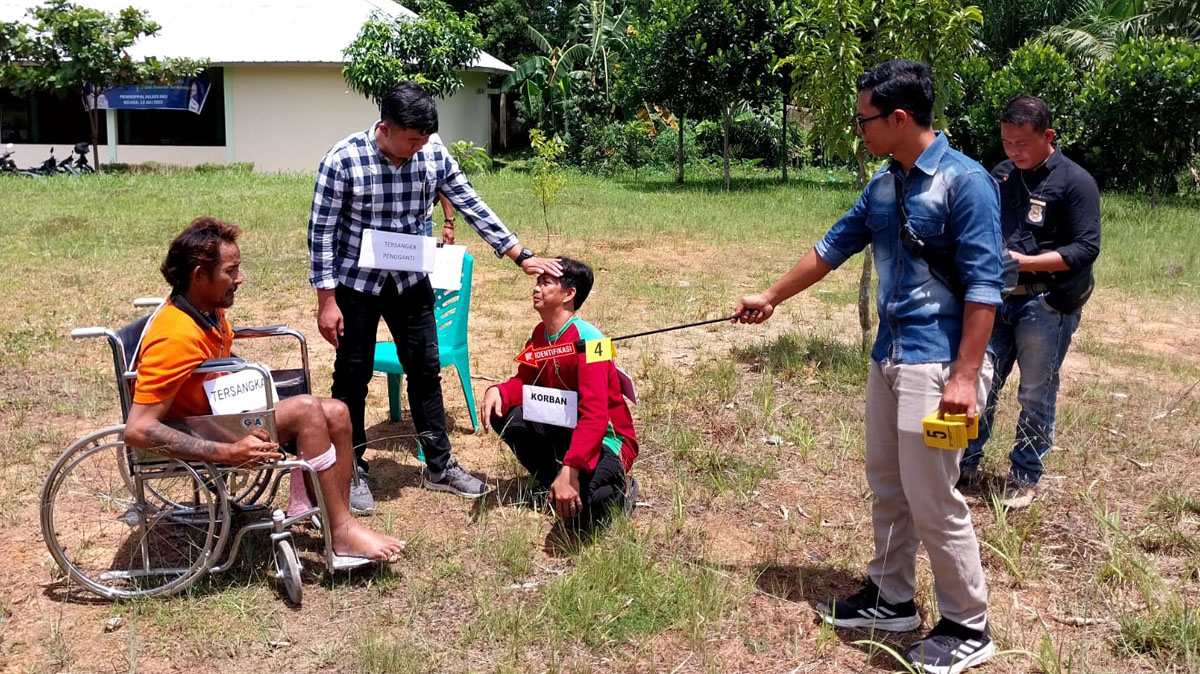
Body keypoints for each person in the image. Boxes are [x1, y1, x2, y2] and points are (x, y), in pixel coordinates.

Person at [734, 60, 1003, 674]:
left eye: (865, 120)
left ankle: (968, 622)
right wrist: (771, 296)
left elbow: (987, 288)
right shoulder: (885, 185)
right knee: (889, 482)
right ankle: (891, 598)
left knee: (933, 495)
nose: (860, 130)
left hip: (940, 365)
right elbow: (832, 246)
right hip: (890, 357)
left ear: (900, 118)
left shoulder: (967, 184)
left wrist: (965, 377)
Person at [309, 82, 562, 511]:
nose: (418, 148)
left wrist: (520, 254)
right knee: (351, 378)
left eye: (425, 139)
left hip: (410, 282)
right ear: (385, 128)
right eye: (412, 140)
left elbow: (470, 203)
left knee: (425, 370)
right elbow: (321, 235)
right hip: (357, 285)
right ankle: (352, 470)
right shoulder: (343, 161)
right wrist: (326, 301)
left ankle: (439, 465)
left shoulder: (432, 154)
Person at [123, 217, 405, 563]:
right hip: (203, 427)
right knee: (305, 411)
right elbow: (138, 429)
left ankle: (338, 520)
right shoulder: (176, 337)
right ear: (199, 275)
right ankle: (341, 531)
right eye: (231, 271)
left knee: (338, 412)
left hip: (221, 407)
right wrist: (227, 454)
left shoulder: (205, 309)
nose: (239, 279)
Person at [959, 96, 1101, 509]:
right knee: (979, 379)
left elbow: (1085, 248)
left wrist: (1026, 263)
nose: (1013, 152)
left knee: (1036, 392)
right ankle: (964, 463)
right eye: (1006, 143)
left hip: (1045, 304)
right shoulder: (1001, 176)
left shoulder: (1075, 182)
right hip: (995, 299)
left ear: (1048, 136)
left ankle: (1024, 476)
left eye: (1022, 143)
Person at [480, 258, 639, 530]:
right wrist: (499, 391)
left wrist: (573, 468)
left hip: (607, 440)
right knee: (504, 412)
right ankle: (551, 480)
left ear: (569, 294)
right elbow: (526, 381)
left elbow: (596, 417)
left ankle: (617, 490)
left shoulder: (591, 342)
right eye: (537, 281)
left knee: (584, 513)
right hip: (566, 426)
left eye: (546, 283)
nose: (537, 288)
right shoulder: (540, 334)